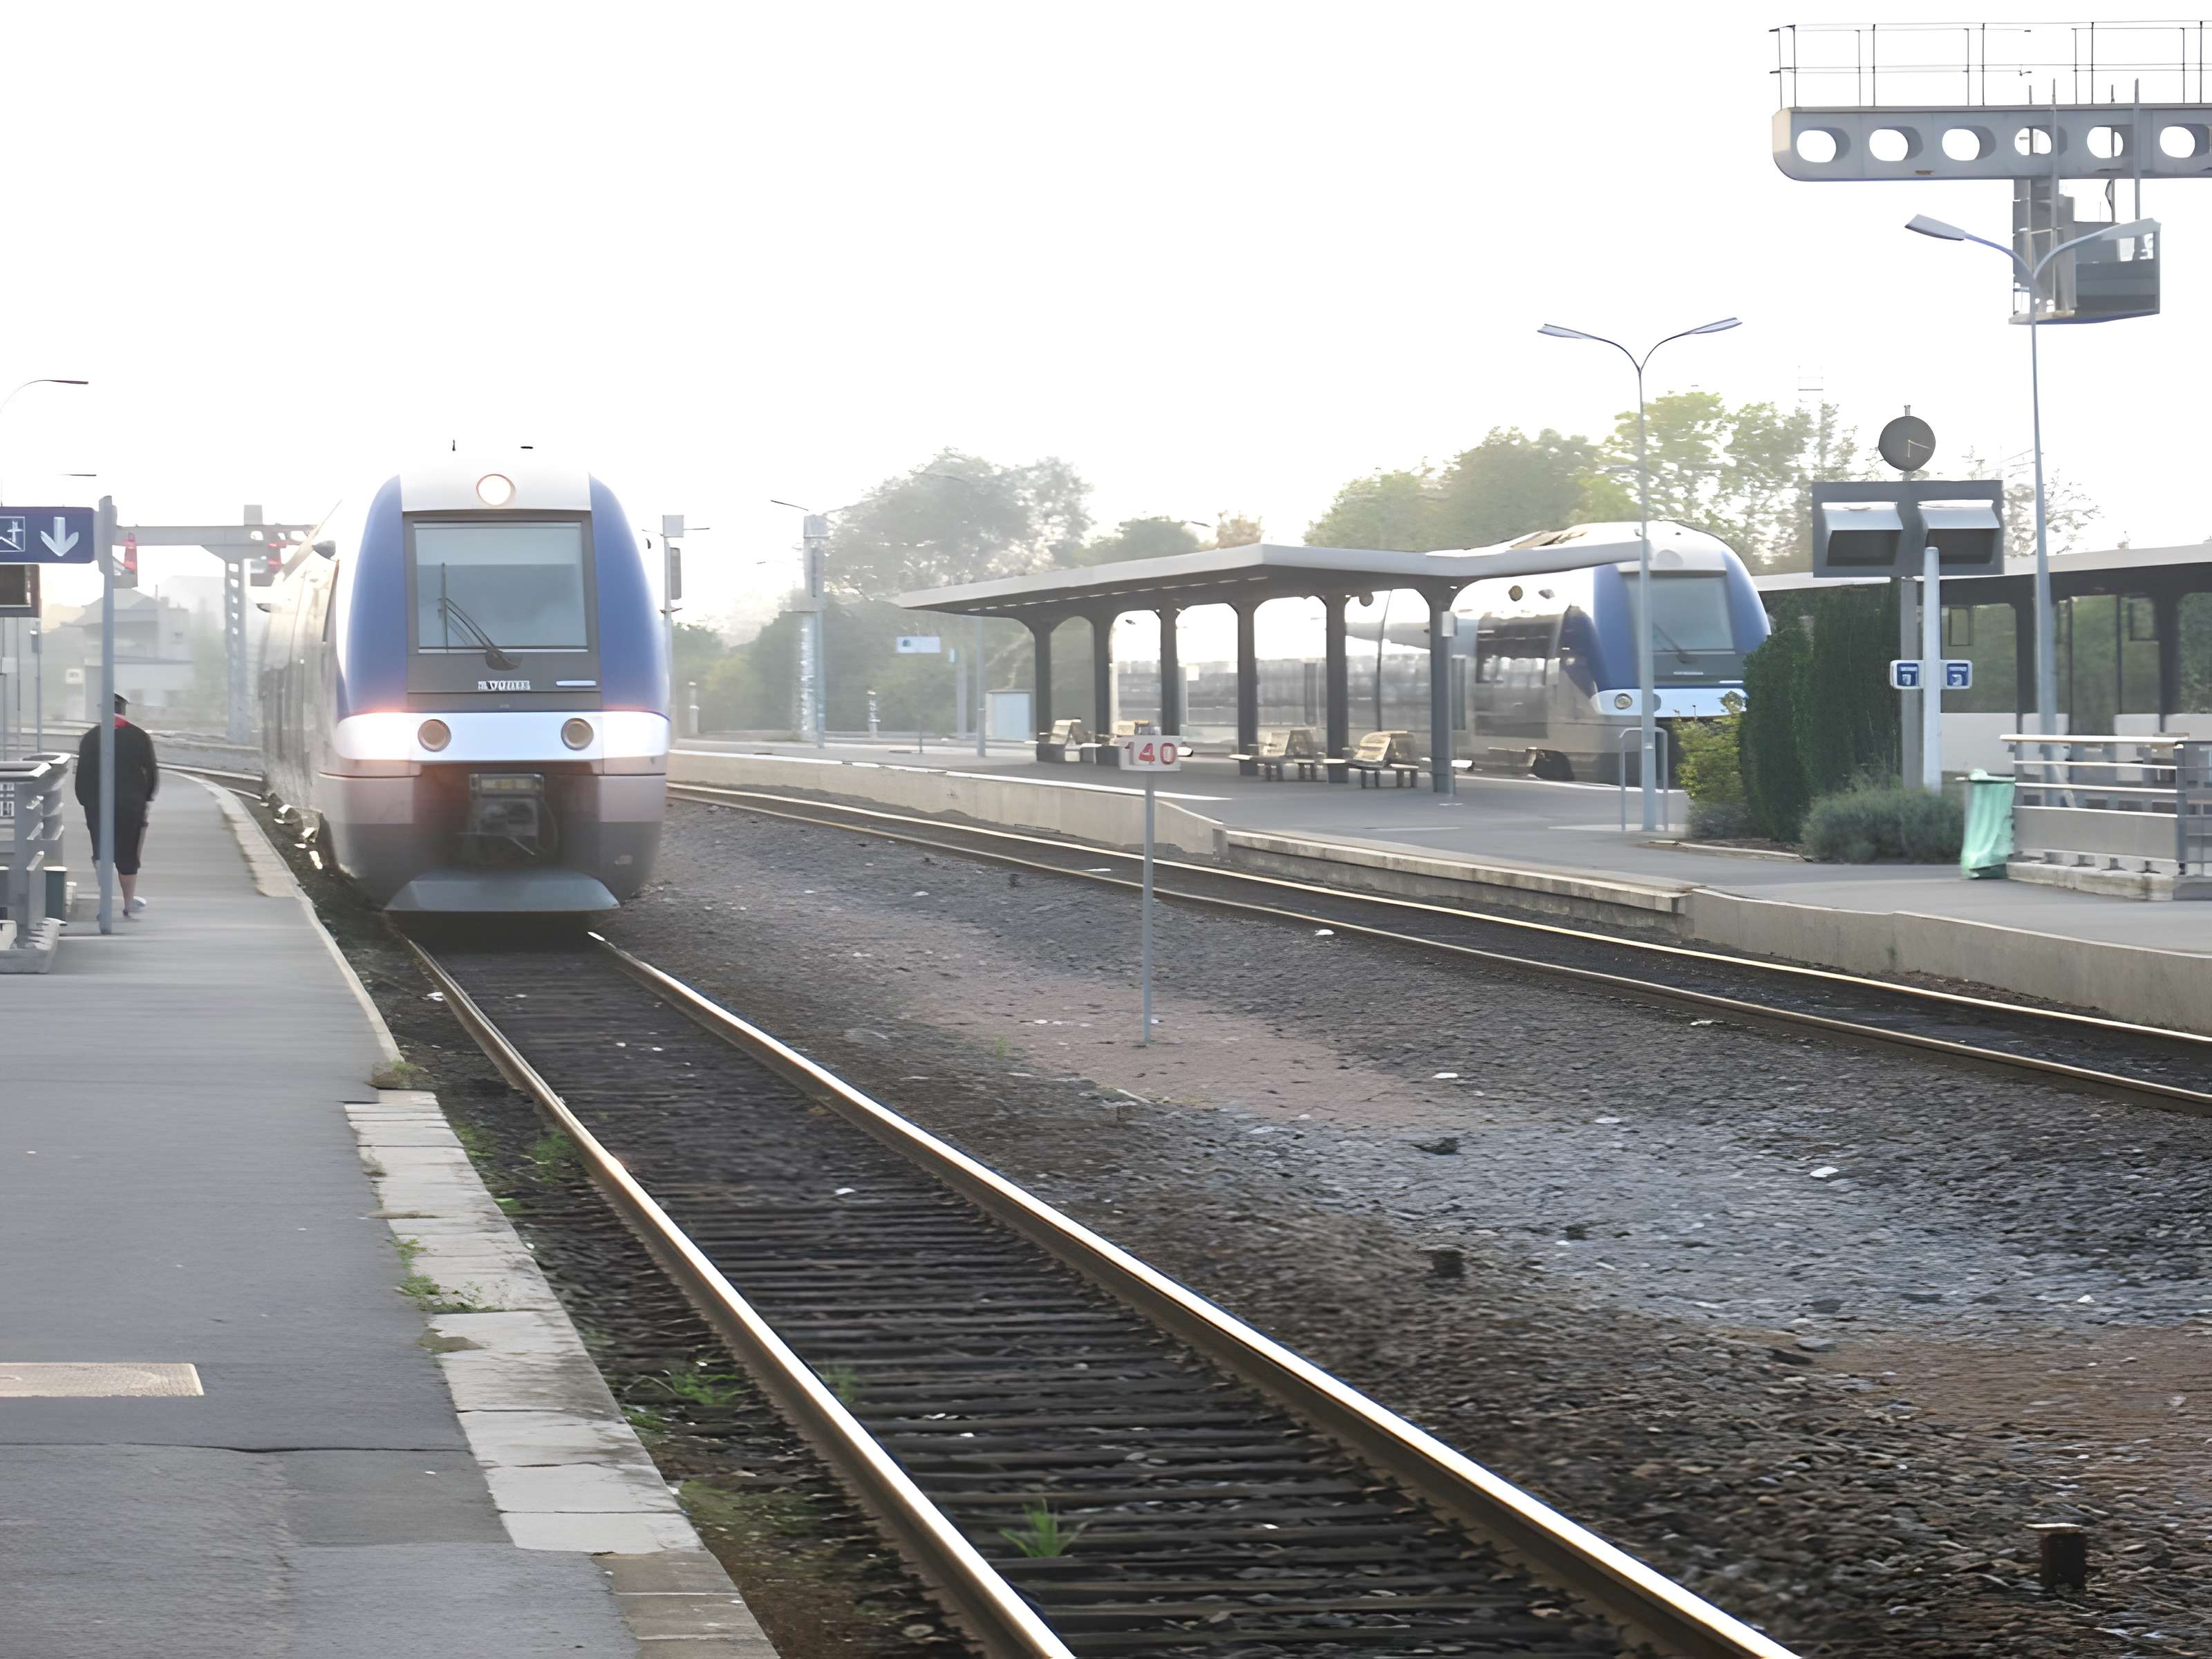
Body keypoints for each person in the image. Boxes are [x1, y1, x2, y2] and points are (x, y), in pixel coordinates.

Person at [75, 693, 160, 918]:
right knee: (128, 853)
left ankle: (105, 904)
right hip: (131, 803)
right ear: (123, 710)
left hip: (97, 802)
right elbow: (151, 772)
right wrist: (146, 798)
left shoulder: (91, 737)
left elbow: (81, 773)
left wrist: (85, 800)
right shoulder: (139, 736)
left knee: (102, 852)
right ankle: (128, 902)